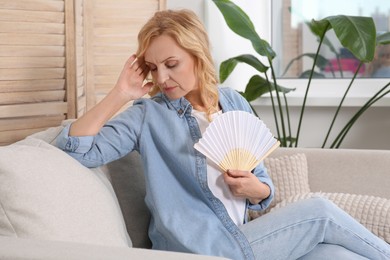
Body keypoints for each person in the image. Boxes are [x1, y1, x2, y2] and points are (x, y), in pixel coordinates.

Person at [56, 9, 390, 260]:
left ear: (197, 56)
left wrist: (254, 188)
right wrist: (121, 94)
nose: (162, 77)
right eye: (153, 67)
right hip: (198, 249)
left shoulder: (233, 102)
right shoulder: (146, 115)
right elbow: (75, 150)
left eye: (172, 64)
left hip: (243, 238)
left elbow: (263, 186)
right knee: (319, 210)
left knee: (338, 255)